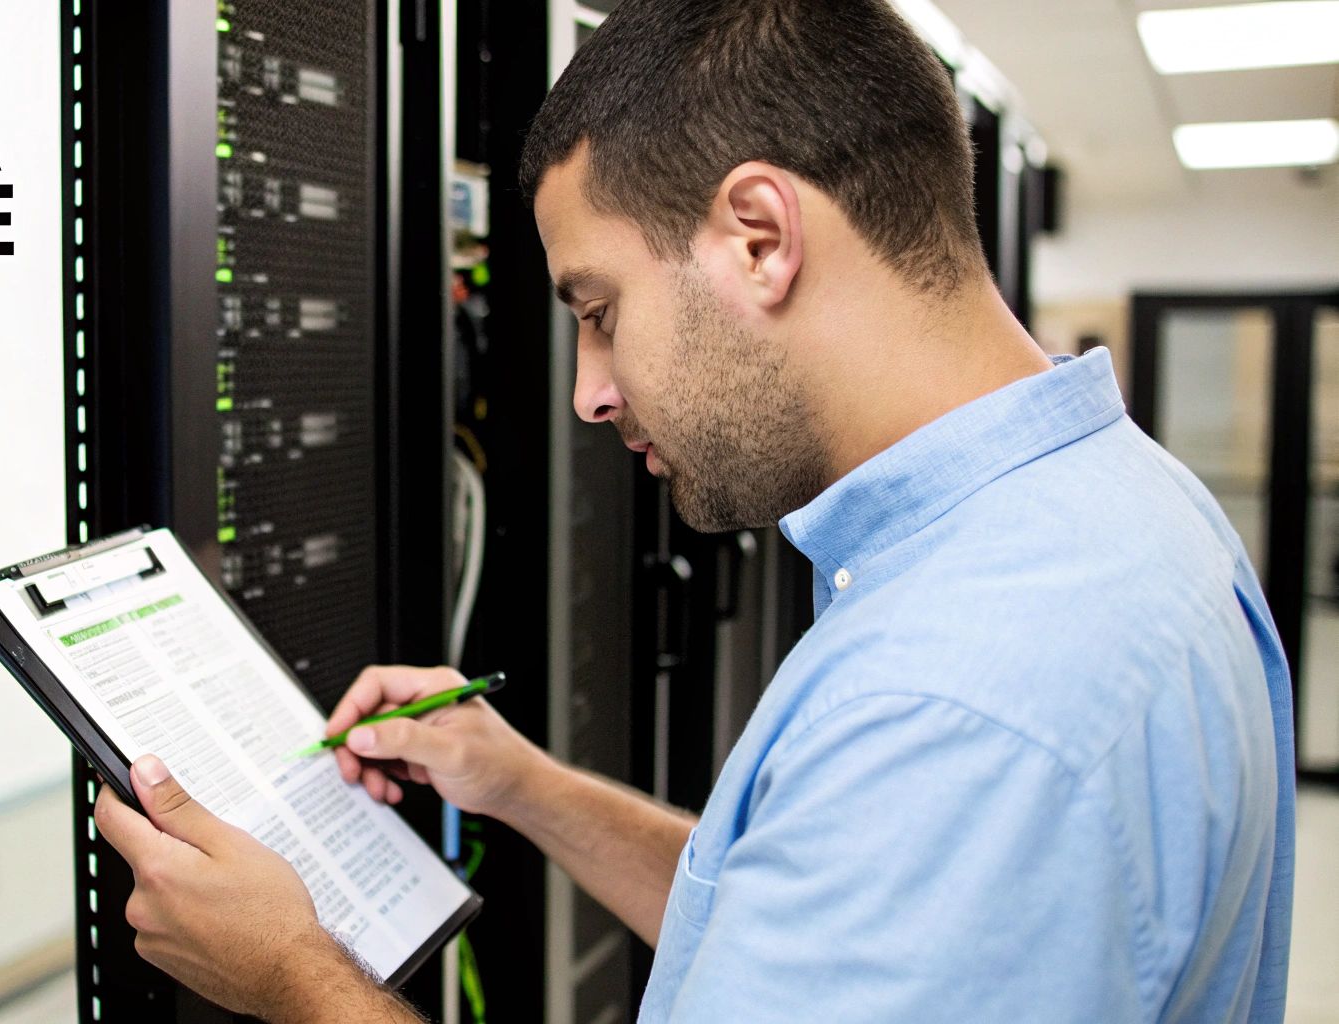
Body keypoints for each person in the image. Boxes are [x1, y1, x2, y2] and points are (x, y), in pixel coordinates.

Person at [91, 0, 1296, 1020]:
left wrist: (291, 973)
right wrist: (522, 784)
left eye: (599, 310)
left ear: (759, 237)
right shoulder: (1118, 512)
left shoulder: (957, 698)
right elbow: (803, 929)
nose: (587, 392)